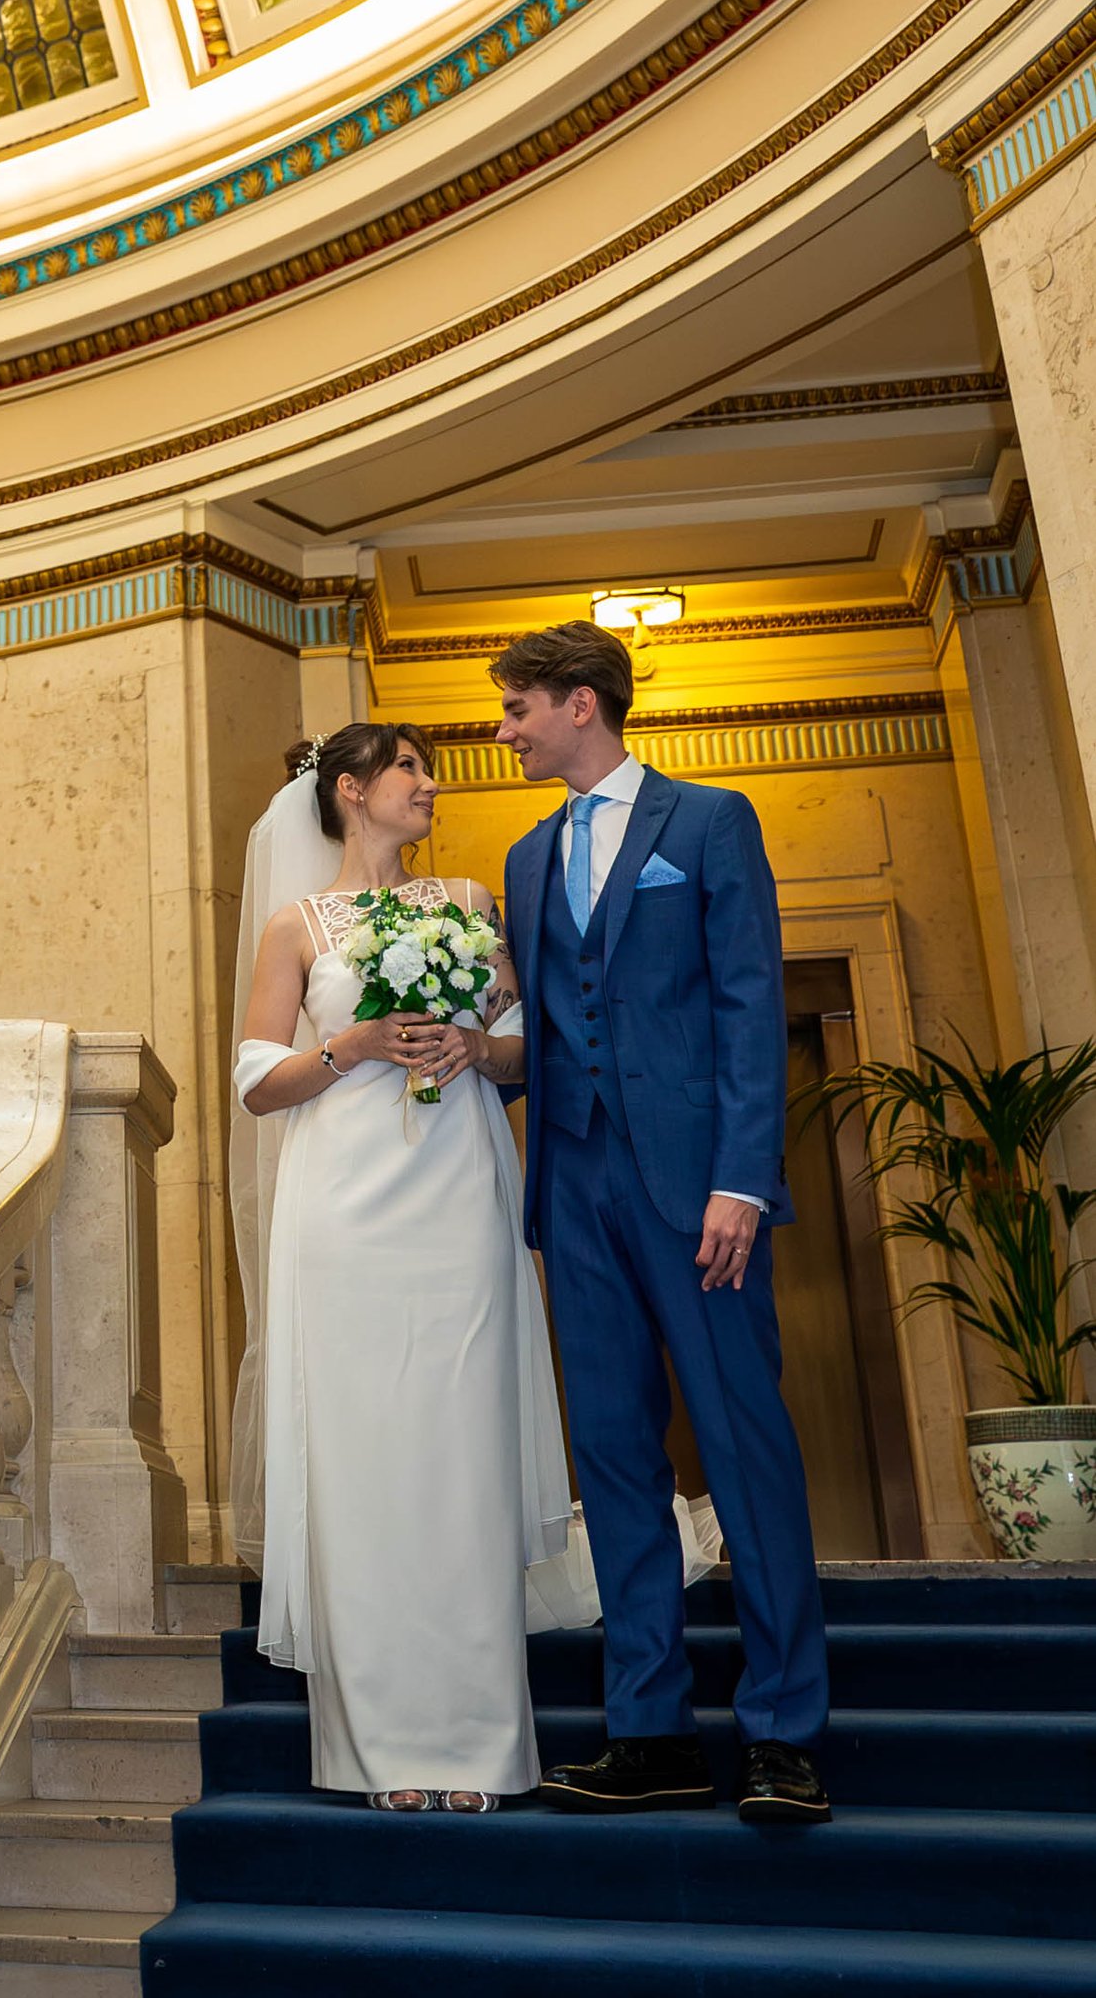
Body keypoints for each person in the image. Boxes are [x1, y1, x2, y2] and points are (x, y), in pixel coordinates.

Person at [496, 619, 830, 1829]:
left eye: (519, 708)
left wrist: (744, 1177)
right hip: (572, 1186)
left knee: (744, 1445)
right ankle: (647, 1726)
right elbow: (543, 1025)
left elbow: (749, 1001)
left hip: (699, 1191)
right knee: (615, 1459)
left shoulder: (708, 821)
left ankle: (783, 1731)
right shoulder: (526, 858)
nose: (505, 728)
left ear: (579, 702)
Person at [231, 721, 570, 1807]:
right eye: (410, 769)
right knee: (361, 1453)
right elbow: (254, 1077)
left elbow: (529, 1041)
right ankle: (377, 1748)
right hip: (342, 1208)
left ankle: (479, 1742)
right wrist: (354, 1046)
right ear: (351, 789)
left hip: (456, 1195)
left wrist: (479, 1047)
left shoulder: (469, 904)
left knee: (456, 1445)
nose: (430, 785)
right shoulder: (295, 925)